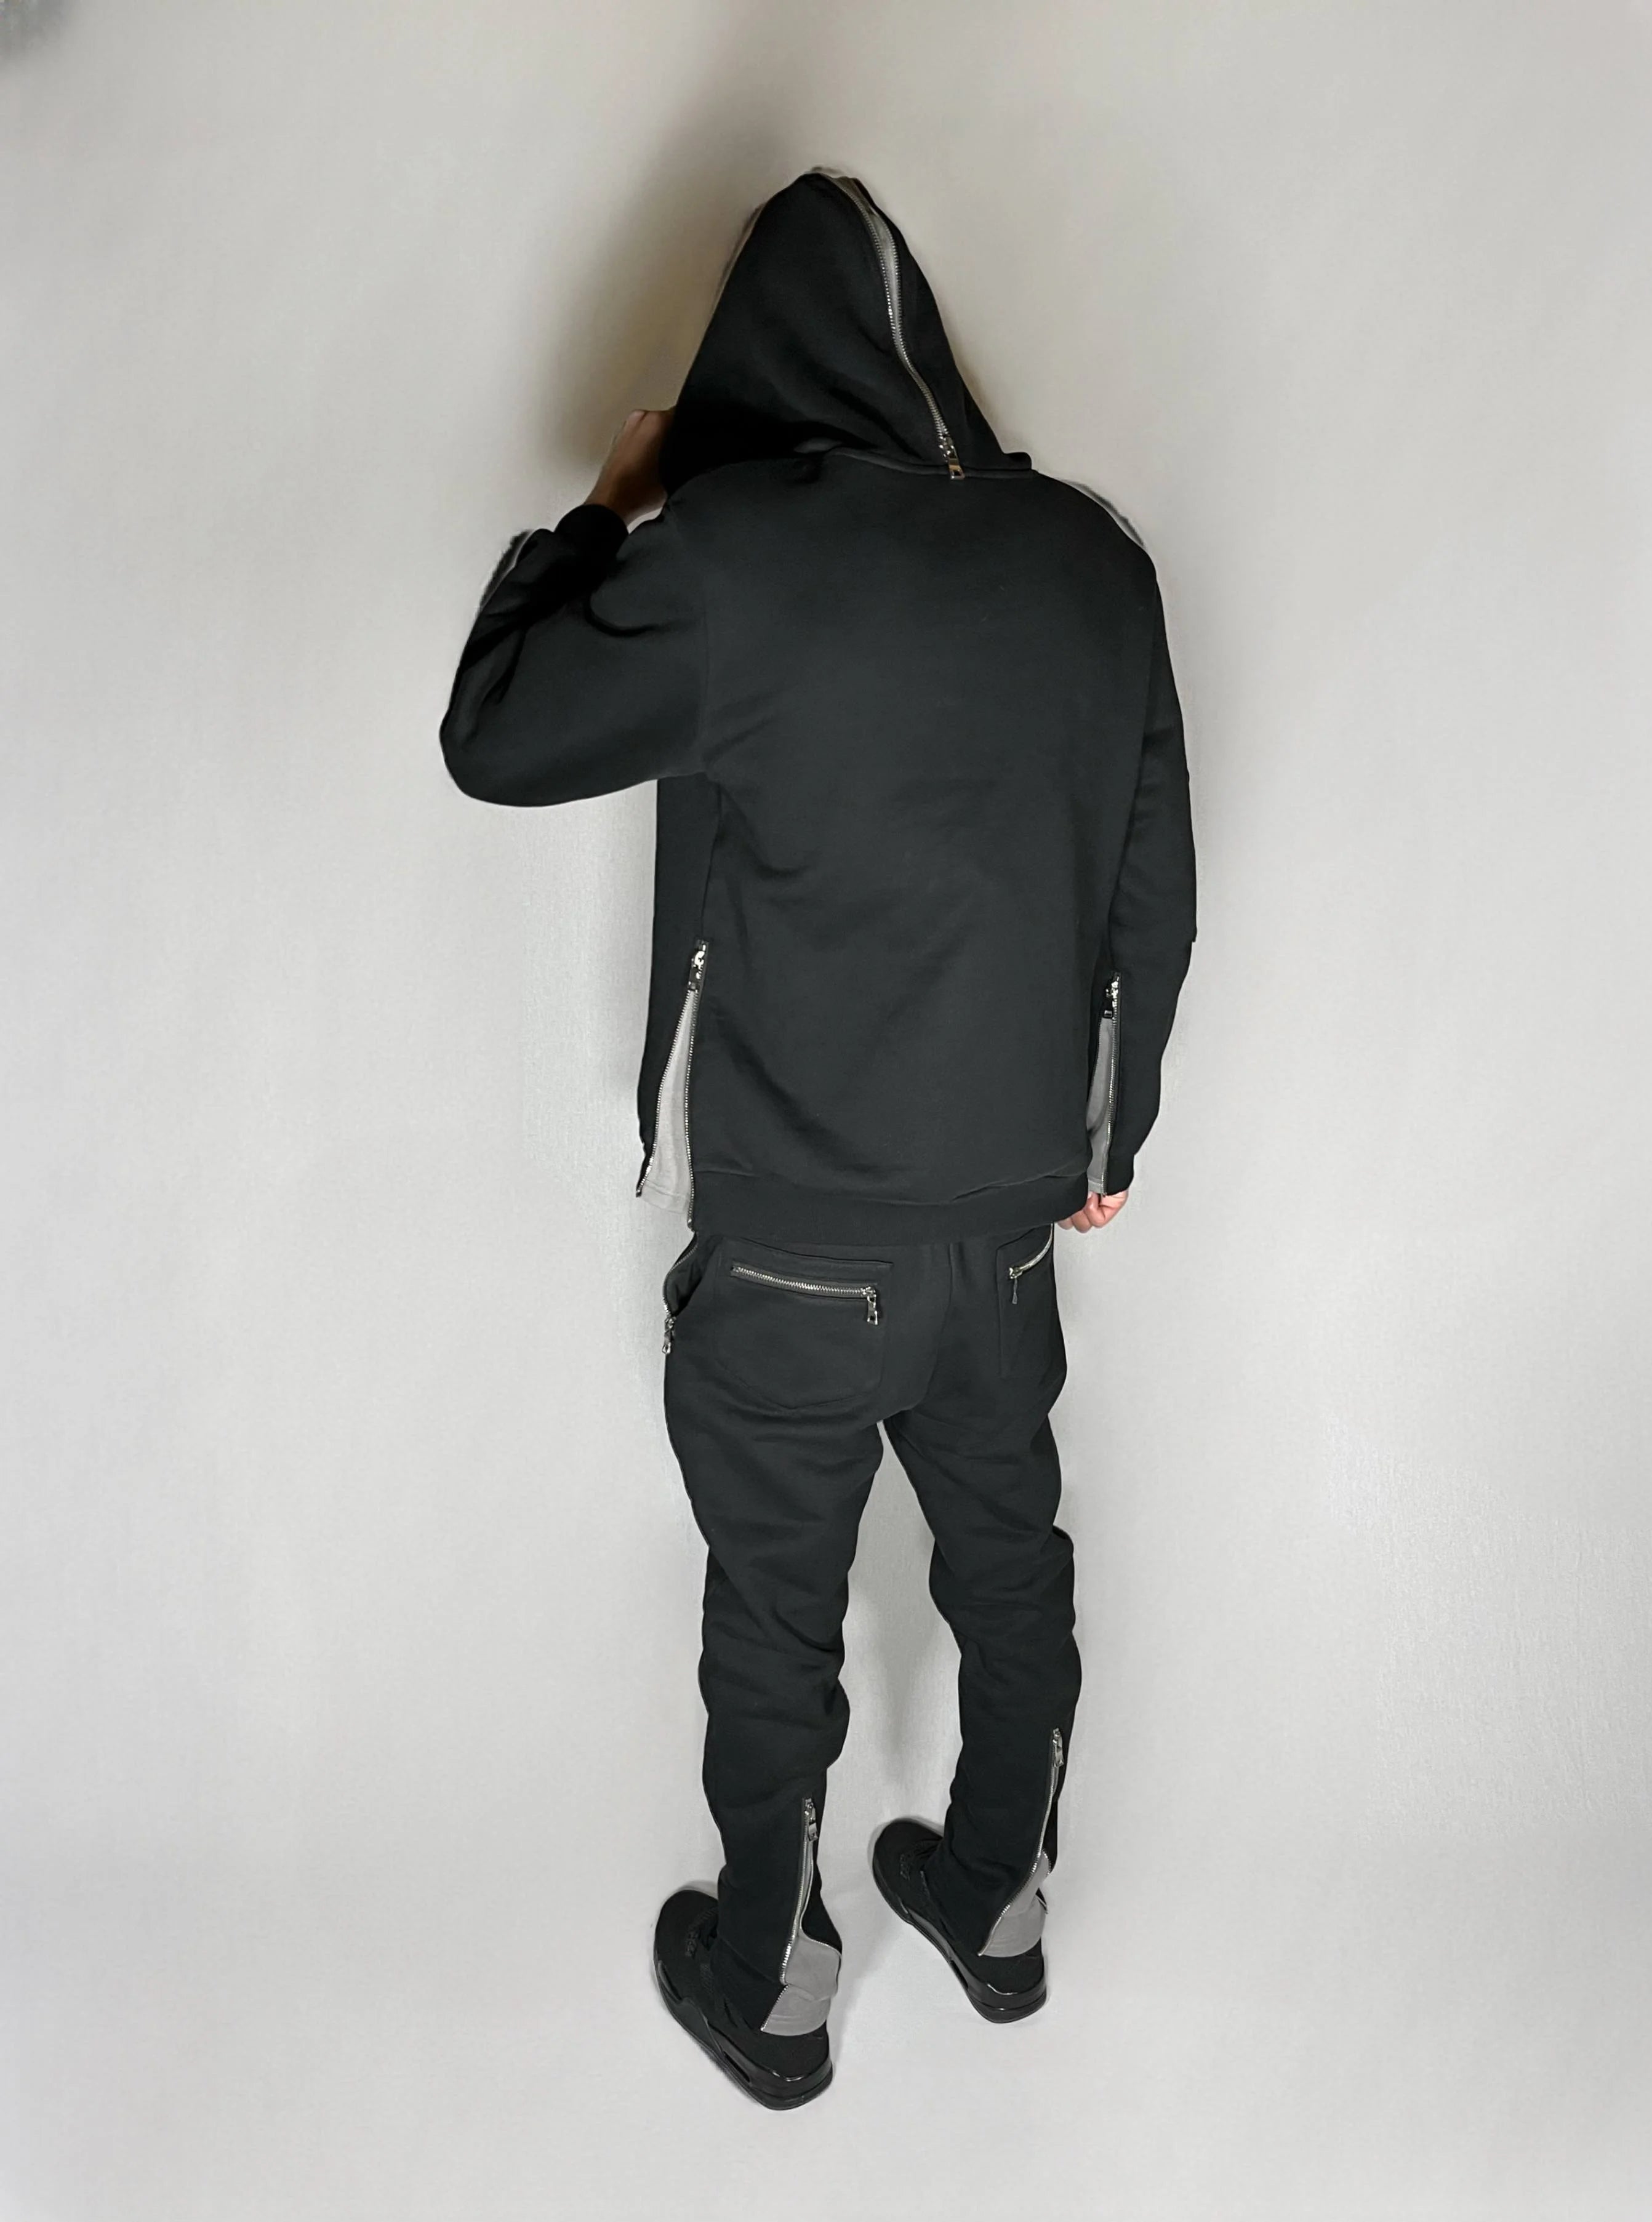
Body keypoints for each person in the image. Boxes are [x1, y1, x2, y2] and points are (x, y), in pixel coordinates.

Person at [439, 169, 1196, 2110]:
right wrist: (1112, 1136)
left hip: (794, 1237)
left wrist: (605, 508)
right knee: (1010, 1559)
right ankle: (997, 1900)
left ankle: (772, 1986)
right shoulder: (1092, 557)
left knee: (777, 1611)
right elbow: (1153, 883)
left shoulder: (736, 554)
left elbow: (495, 734)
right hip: (1007, 1228)